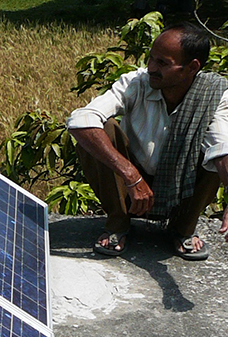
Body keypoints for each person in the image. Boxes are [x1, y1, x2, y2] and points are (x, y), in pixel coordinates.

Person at [67, 22, 228, 261]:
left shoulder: (215, 95)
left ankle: (183, 228)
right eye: (151, 59)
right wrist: (131, 174)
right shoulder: (135, 83)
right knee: (100, 130)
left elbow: (222, 148)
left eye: (163, 63)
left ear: (192, 67)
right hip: (131, 182)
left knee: (213, 158)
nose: (151, 68)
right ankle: (118, 223)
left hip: (181, 183)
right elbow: (80, 119)